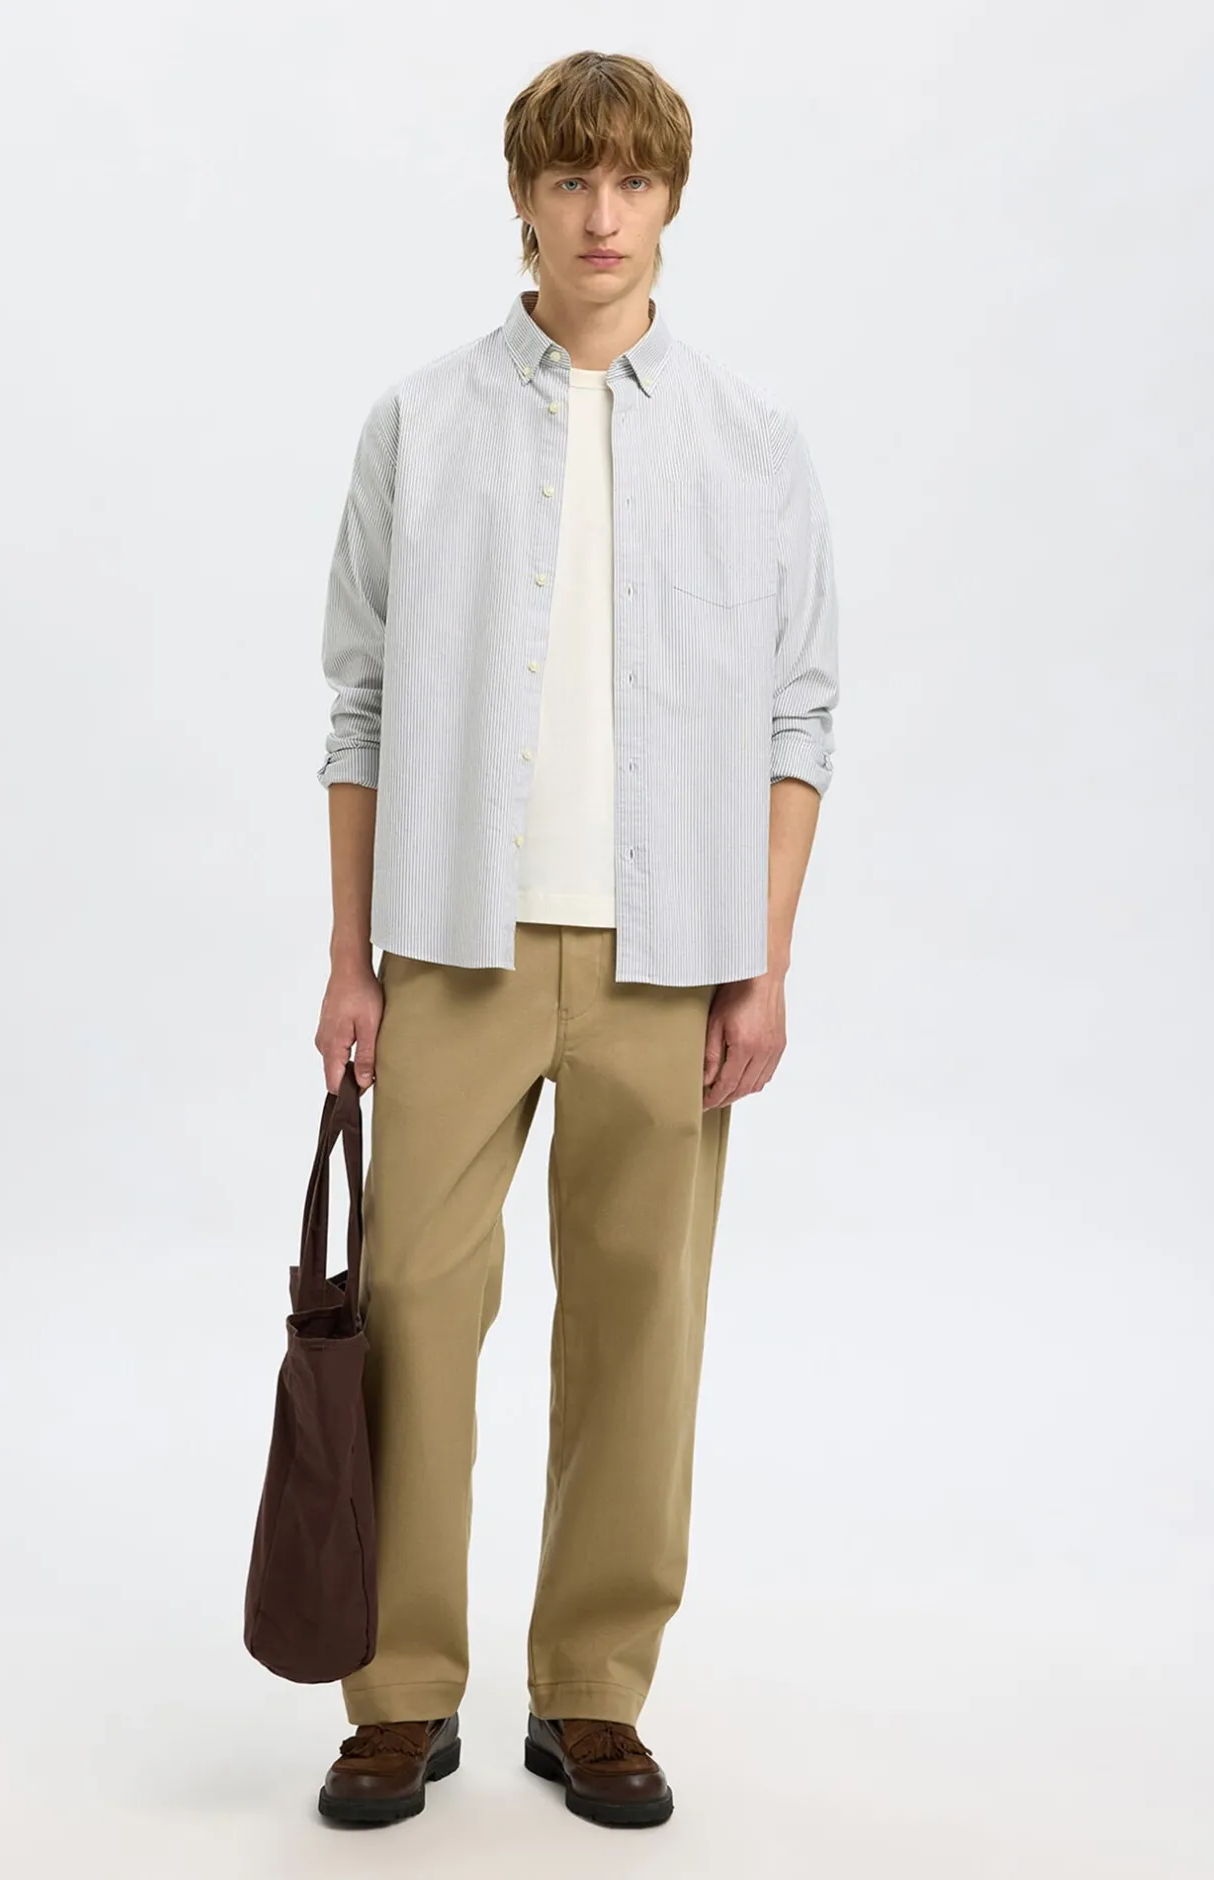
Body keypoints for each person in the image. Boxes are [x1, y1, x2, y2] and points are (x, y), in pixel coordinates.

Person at [311, 48, 839, 1831]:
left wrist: (765, 959)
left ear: (671, 199)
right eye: (570, 180)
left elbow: (798, 717)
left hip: (669, 957)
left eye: (632, 182)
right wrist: (349, 959)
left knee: (639, 1324)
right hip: (450, 944)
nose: (602, 216)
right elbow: (359, 704)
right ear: (524, 198)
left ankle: (593, 1692)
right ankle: (399, 1694)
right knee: (410, 1310)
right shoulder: (421, 422)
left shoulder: (752, 442)